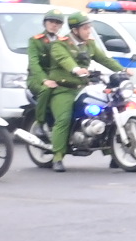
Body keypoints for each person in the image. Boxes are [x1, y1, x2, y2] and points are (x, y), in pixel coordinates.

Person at [44, 12, 121, 172]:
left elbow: (104, 59)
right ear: (75, 30)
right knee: (64, 119)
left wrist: (122, 70)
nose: (89, 31)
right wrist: (76, 69)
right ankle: (58, 156)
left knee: (107, 113)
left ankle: (114, 154)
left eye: (89, 28)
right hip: (63, 89)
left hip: (84, 87)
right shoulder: (60, 44)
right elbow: (65, 59)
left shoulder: (89, 44)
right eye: (86, 28)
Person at [27, 8, 66, 127]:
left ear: (60, 26)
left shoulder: (64, 42)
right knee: (47, 90)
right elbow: (34, 63)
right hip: (37, 78)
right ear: (45, 23)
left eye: (57, 23)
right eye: (51, 21)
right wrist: (45, 80)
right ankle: (40, 122)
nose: (54, 25)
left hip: (57, 78)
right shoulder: (35, 41)